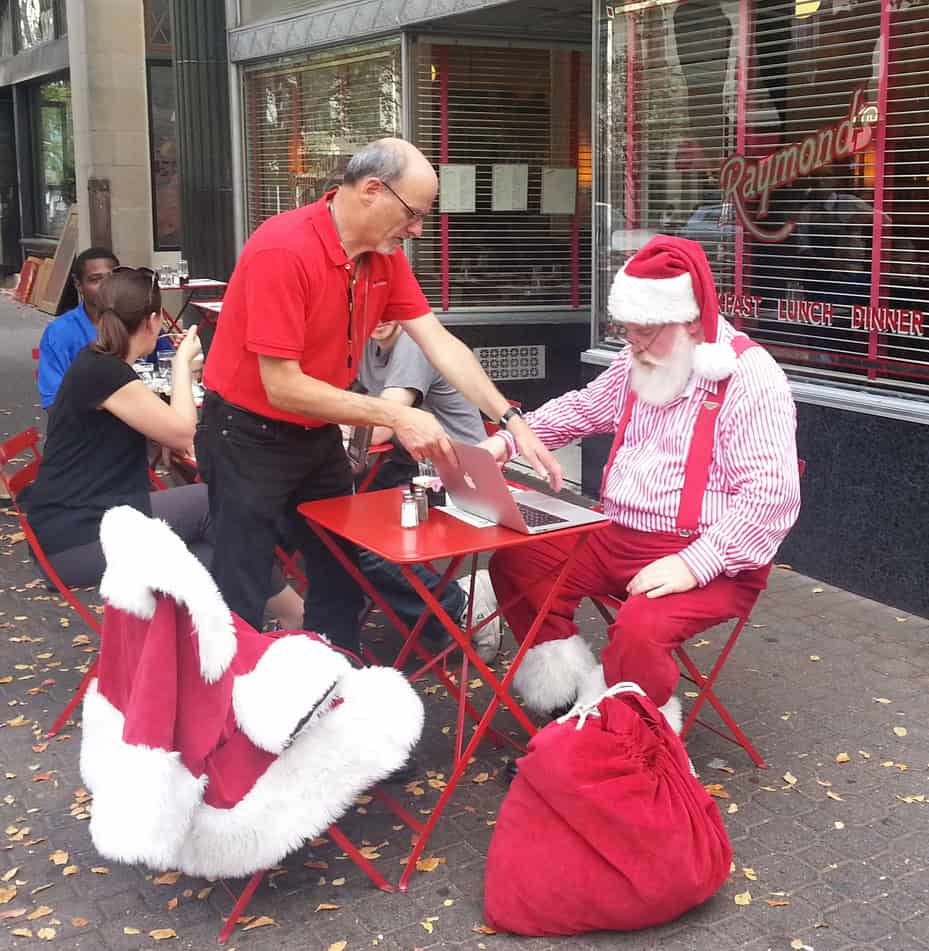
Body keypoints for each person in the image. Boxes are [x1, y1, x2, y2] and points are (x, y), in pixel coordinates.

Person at [196, 137, 560, 652]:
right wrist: (395, 414)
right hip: (246, 433)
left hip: (313, 433)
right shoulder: (284, 247)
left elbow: (441, 344)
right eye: (414, 213)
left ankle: (334, 689)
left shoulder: (381, 259)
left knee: (339, 571)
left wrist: (510, 417)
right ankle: (232, 716)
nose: (417, 230)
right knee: (244, 579)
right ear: (371, 190)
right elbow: (282, 386)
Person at [486, 235, 801, 722]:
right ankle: (567, 697)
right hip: (615, 533)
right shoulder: (640, 356)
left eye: (645, 335)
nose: (634, 346)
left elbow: (771, 498)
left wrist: (695, 563)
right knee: (518, 564)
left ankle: (622, 739)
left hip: (710, 553)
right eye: (628, 333)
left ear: (693, 322)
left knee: (640, 629)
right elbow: (582, 408)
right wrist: (509, 439)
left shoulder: (750, 377)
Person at [24, 267, 303, 628]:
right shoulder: (105, 372)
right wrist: (181, 366)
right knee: (211, 501)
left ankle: (234, 642)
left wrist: (158, 437)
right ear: (154, 320)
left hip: (82, 523)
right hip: (79, 537)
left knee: (211, 553)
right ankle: (293, 614)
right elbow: (183, 432)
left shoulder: (98, 364)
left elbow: (136, 429)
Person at [354, 320, 502, 660]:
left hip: (457, 477)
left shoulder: (412, 345)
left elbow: (376, 429)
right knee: (328, 520)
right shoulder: (367, 346)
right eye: (373, 308)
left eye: (390, 307)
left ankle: (459, 607)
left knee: (365, 546)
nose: (378, 318)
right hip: (410, 464)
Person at [38, 247, 119, 410]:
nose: (106, 286)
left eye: (112, 278)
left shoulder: (137, 320)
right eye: (96, 280)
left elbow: (169, 368)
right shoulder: (60, 332)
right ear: (78, 284)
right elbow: (54, 401)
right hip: (87, 427)